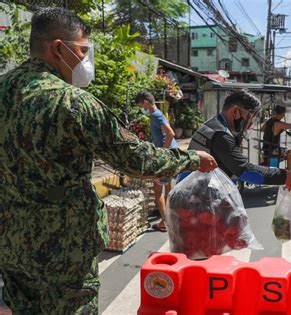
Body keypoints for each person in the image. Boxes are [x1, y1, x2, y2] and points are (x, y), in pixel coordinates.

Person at [0, 8, 216, 314]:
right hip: (64, 249)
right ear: (58, 48)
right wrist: (191, 158)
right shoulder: (73, 102)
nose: (87, 60)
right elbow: (135, 159)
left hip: (10, 243)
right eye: (83, 50)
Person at [188, 89, 291, 188]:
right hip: (195, 196)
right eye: (250, 117)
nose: (250, 124)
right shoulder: (221, 136)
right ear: (235, 111)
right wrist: (285, 176)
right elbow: (245, 172)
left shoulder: (215, 124)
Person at [135, 91, 178, 233]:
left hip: (165, 157)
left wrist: (162, 153)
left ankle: (165, 223)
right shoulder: (158, 113)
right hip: (172, 154)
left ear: (145, 102)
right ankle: (170, 218)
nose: (142, 108)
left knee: (158, 190)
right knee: (168, 189)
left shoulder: (155, 115)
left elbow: (171, 133)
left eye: (141, 105)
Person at [261, 104, 291, 170]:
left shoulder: (270, 120)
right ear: (283, 114)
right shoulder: (278, 124)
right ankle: (288, 170)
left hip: (266, 149)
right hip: (273, 151)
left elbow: (262, 129)